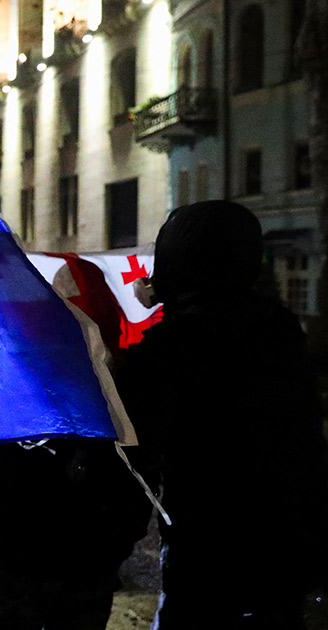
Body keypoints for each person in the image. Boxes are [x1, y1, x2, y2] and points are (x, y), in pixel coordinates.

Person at [117, 200, 328, 629]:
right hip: (287, 551)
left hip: (205, 559)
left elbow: (131, 463)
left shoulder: (169, 349)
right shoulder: (283, 335)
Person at [0, 255, 154, 630]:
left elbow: (135, 486)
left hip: (74, 572)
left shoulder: (121, 391)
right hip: (29, 569)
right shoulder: (32, 377)